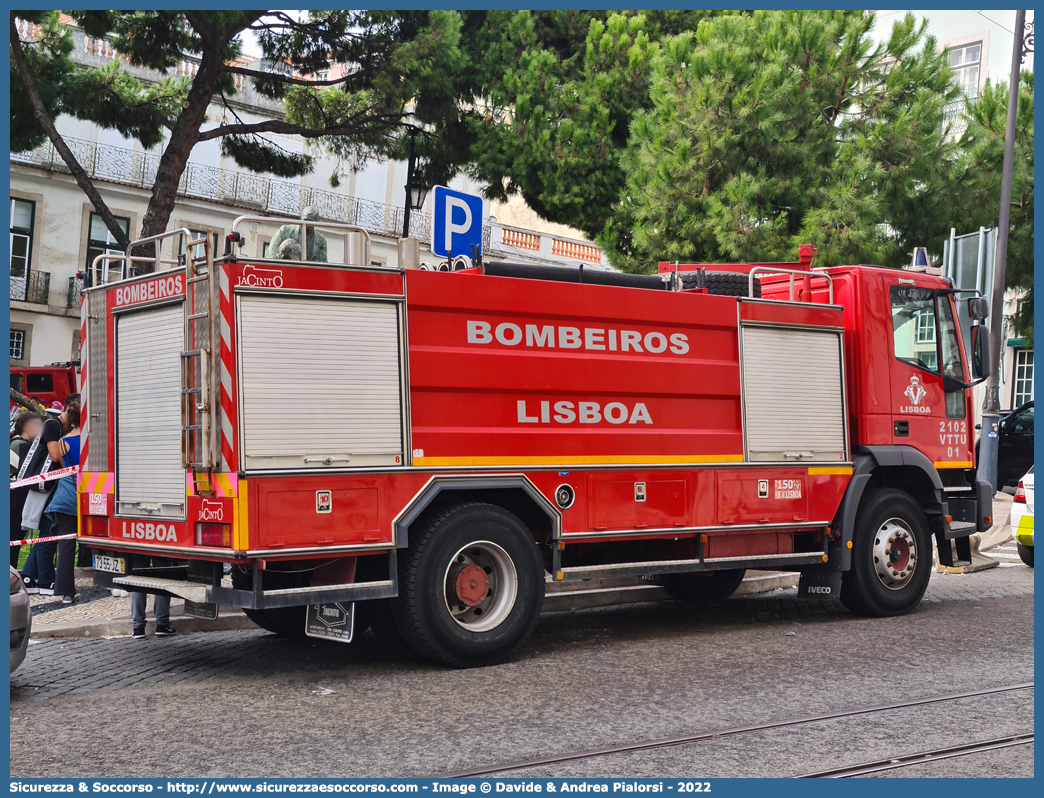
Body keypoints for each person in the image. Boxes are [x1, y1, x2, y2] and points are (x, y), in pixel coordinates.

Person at [19, 400, 76, 594]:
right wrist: (70, 450)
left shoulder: (57, 426)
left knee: (47, 532)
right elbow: (55, 456)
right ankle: (45, 579)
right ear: (68, 409)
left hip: (51, 486)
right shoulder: (53, 425)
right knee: (49, 533)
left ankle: (28, 574)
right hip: (48, 486)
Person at [43, 401, 80, 604]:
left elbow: (63, 464)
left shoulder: (64, 440)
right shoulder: (92, 439)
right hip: (90, 495)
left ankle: (66, 592)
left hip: (66, 496)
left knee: (66, 545)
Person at [10, 412, 44, 569]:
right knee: (13, 538)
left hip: (16, 498)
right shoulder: (21, 446)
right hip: (14, 499)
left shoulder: (19, 443)